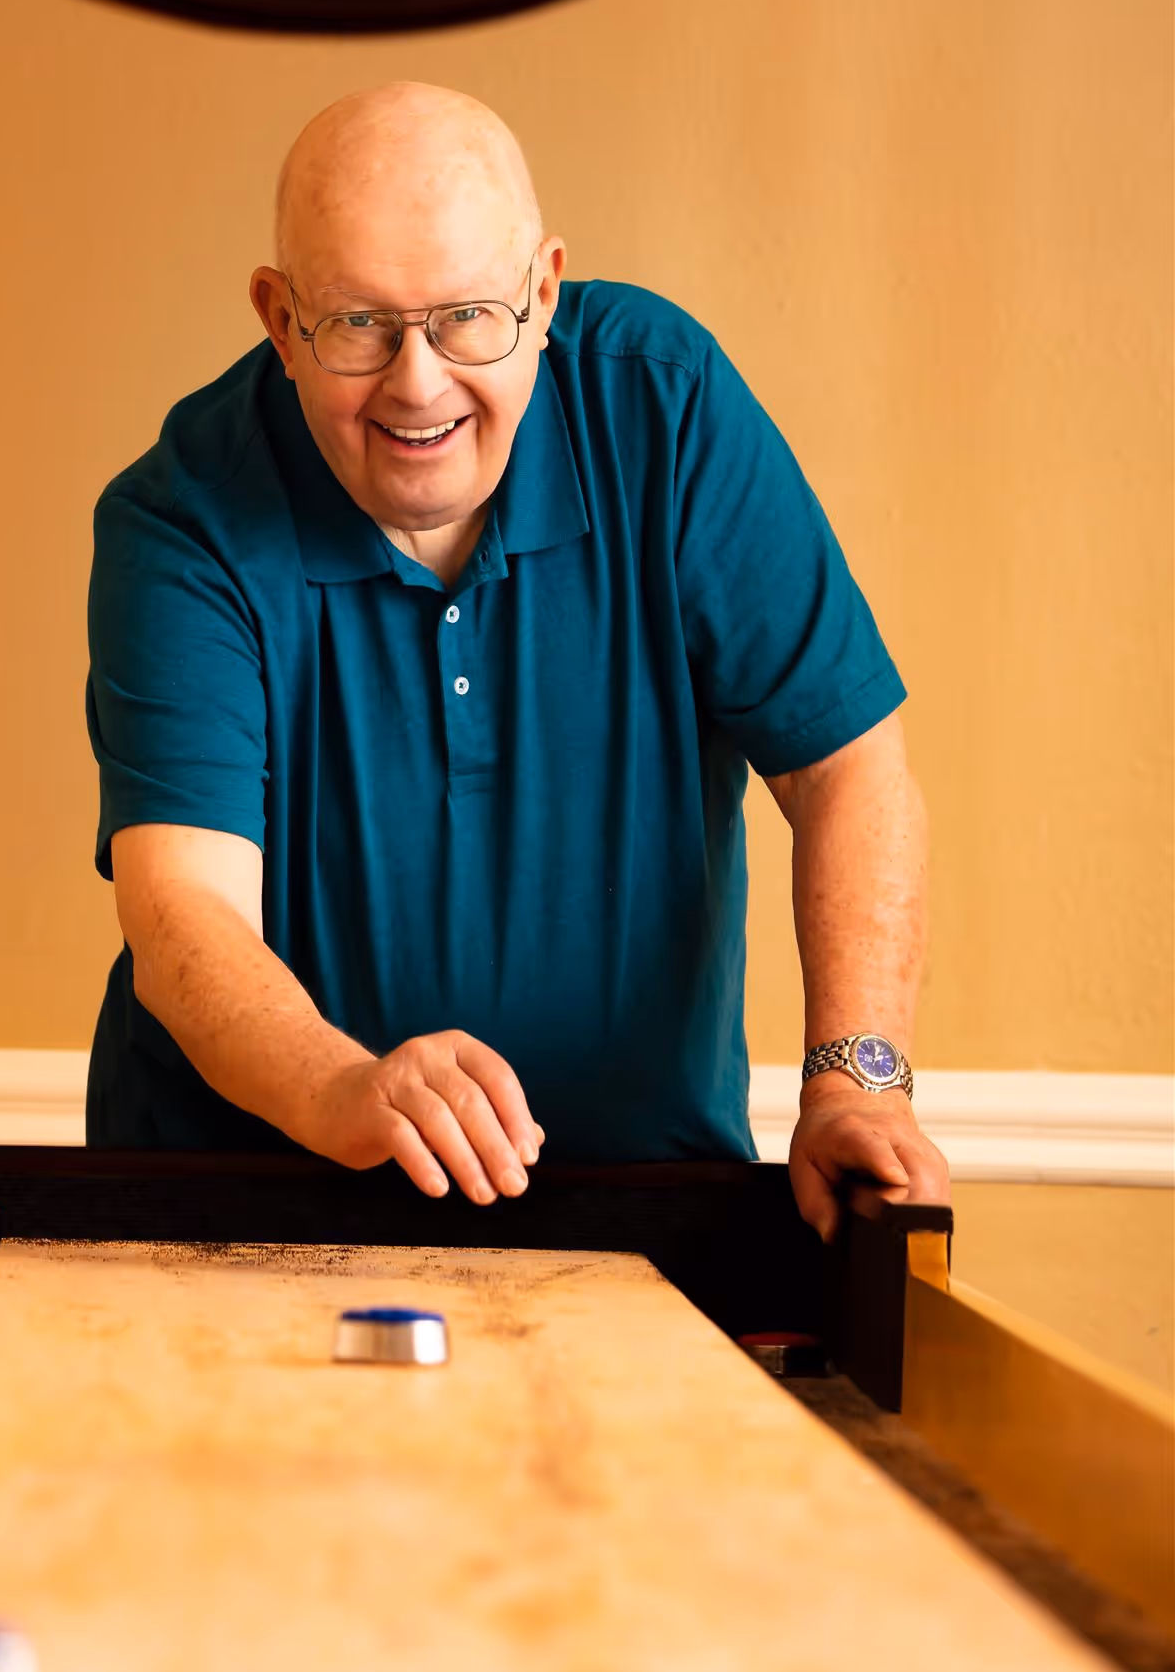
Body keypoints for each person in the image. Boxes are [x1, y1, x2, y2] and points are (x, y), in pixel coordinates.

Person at [84, 83, 949, 1239]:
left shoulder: (667, 407)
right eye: (359, 324)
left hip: (645, 1199)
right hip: (250, 1201)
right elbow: (186, 915)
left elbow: (848, 770)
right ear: (278, 319)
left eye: (467, 318)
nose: (418, 383)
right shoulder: (182, 516)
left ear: (543, 291)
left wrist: (856, 1081)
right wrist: (346, 1089)